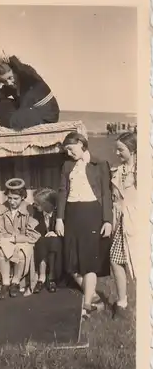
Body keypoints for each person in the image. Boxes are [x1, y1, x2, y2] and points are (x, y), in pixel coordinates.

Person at [55, 132, 113, 318]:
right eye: (66, 151)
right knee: (70, 260)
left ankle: (87, 305)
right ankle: (93, 295)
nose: (69, 153)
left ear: (81, 144)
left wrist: (107, 220)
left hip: (92, 214)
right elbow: (62, 192)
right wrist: (59, 219)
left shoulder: (100, 164)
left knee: (89, 261)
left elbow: (106, 194)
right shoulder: (66, 166)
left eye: (71, 149)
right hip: (72, 214)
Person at [0, 178, 40, 299]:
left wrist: (15, 239)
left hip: (24, 241)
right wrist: (3, 238)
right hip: (6, 240)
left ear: (23, 197)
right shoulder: (1, 209)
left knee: (21, 253)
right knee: (1, 251)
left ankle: (15, 281)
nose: (12, 201)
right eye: (9, 198)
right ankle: (5, 283)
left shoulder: (30, 210)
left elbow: (32, 235)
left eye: (15, 199)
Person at [0, 53, 60, 131]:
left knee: (13, 118)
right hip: (31, 113)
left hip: (47, 115)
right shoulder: (12, 87)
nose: (9, 82)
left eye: (10, 77)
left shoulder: (30, 78)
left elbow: (26, 69)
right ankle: (11, 125)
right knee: (2, 103)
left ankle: (11, 125)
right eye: (4, 81)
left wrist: (12, 60)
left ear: (16, 72)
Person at [110, 132, 137, 319]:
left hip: (138, 221)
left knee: (140, 262)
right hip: (122, 222)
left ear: (133, 149)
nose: (117, 153)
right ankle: (122, 302)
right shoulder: (119, 171)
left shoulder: (143, 170)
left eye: (121, 149)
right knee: (115, 259)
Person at [32, 187, 63, 294]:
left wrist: (55, 233)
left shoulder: (58, 214)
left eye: (38, 204)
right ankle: (42, 277)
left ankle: (52, 277)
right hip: (43, 241)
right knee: (42, 242)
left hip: (58, 240)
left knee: (53, 242)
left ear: (47, 204)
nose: (35, 206)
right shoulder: (37, 214)